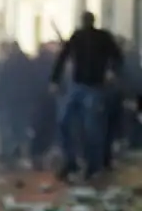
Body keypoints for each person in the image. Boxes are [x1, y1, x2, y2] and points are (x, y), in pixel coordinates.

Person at [50, 11, 123, 181]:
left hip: (89, 87)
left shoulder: (89, 37)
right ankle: (80, 164)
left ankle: (85, 164)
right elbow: (118, 57)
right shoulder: (97, 37)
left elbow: (63, 56)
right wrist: (112, 71)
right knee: (84, 126)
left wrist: (54, 80)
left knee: (81, 126)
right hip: (86, 86)